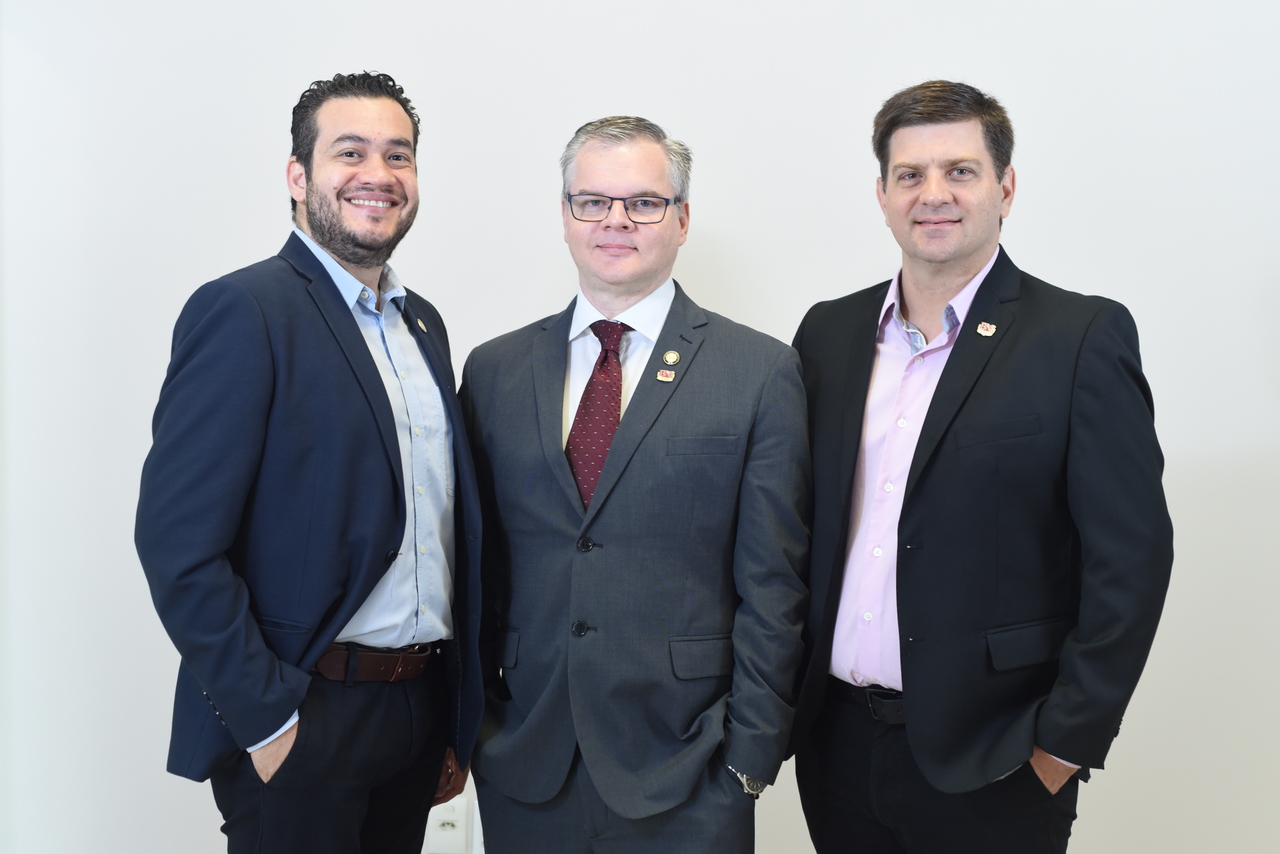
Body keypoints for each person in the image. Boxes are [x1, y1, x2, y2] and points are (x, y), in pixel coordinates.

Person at [790, 80, 1174, 853]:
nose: (934, 194)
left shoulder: (1079, 336)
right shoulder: (828, 334)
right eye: (910, 175)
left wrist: (1061, 748)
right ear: (882, 194)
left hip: (996, 759)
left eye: (960, 171)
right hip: (836, 748)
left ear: (1005, 187)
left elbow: (1130, 561)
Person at [135, 72, 483, 854]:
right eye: (349, 151)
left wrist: (452, 710)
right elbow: (177, 546)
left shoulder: (421, 325)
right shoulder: (245, 311)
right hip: (306, 711)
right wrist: (269, 717)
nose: (378, 174)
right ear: (299, 177)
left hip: (417, 707)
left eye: (399, 155)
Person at [460, 116, 810, 853]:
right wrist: (476, 728)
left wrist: (749, 759)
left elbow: (773, 585)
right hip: (526, 763)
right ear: (565, 217)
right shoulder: (492, 371)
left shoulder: (759, 372)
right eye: (592, 201)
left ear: (681, 219)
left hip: (690, 767)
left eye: (644, 202)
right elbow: (477, 570)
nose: (616, 220)